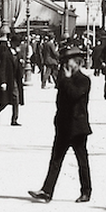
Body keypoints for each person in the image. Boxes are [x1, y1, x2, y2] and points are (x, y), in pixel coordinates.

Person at [29, 44, 93, 203]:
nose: (65, 64)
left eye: (68, 61)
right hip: (64, 126)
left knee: (82, 161)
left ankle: (86, 191)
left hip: (78, 128)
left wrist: (68, 79)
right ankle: (47, 191)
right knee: (55, 160)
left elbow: (73, 95)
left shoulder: (83, 80)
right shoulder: (64, 78)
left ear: (77, 62)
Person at [0, 33, 22, 126]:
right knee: (4, 102)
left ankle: (14, 119)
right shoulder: (5, 54)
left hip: (15, 80)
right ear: (12, 43)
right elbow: (2, 68)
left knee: (16, 99)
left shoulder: (17, 54)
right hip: (8, 80)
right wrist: (3, 82)